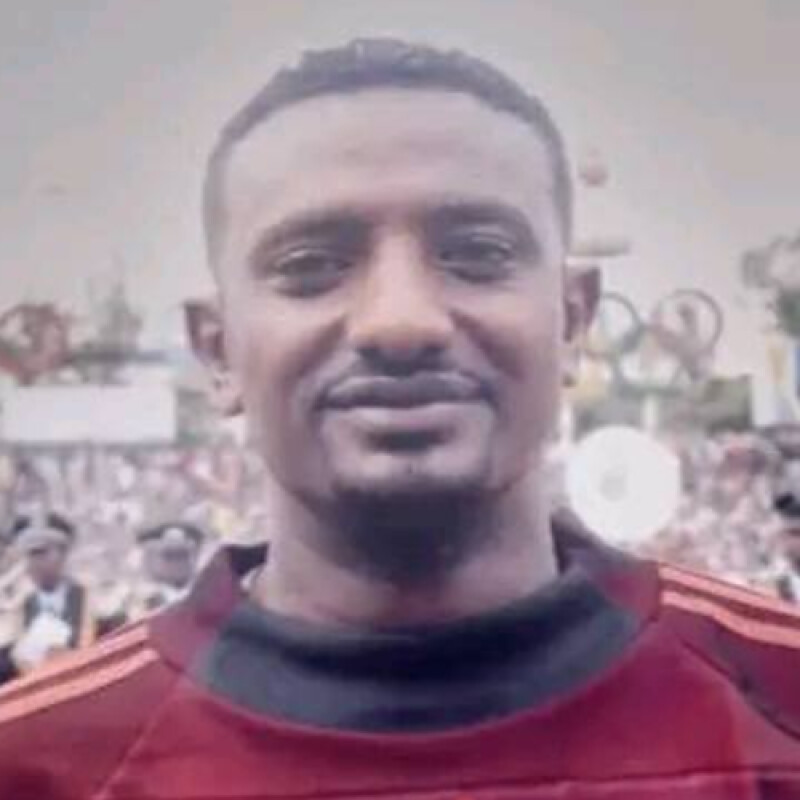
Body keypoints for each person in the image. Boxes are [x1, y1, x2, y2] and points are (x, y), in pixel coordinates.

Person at [2, 38, 800, 798]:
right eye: (310, 266)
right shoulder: (33, 763)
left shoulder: (780, 694)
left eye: (479, 253)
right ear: (217, 351)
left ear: (572, 320)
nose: (401, 321)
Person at [0, 512, 97, 684]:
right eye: (27, 554)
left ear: (63, 553)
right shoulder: (18, 612)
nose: (32, 562)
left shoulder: (92, 601)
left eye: (40, 552)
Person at [127, 522, 205, 617]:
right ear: (151, 559)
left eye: (183, 555)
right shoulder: (141, 603)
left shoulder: (207, 599)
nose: (176, 563)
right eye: (169, 556)